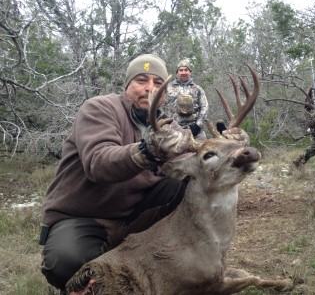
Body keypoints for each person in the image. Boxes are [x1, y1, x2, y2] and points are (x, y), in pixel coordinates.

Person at [38, 54, 247, 294]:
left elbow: (197, 163)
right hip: (86, 217)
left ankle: (181, 261)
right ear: (127, 85)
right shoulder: (99, 109)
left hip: (137, 218)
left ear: (166, 91)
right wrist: (146, 151)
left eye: (158, 83)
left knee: (189, 178)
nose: (149, 88)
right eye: (141, 80)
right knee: (67, 264)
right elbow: (99, 163)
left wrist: (232, 148)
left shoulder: (170, 128)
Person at [163, 59, 209, 140]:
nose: (183, 73)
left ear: (190, 72)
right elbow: (162, 106)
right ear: (177, 72)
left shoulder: (198, 89)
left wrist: (198, 125)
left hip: (195, 131)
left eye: (186, 70)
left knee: (205, 150)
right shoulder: (167, 88)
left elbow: (205, 107)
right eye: (181, 70)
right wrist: (167, 124)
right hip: (173, 130)